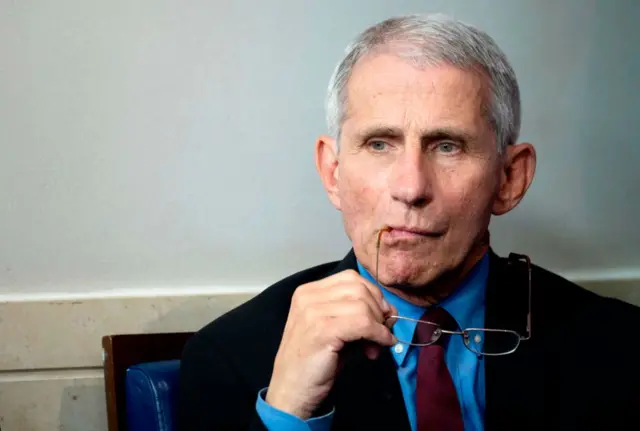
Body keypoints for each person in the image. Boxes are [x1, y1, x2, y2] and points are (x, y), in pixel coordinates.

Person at [177, 13, 640, 431]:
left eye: (447, 146)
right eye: (380, 144)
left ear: (509, 179)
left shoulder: (618, 347)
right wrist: (290, 418)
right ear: (332, 173)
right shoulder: (231, 358)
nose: (411, 187)